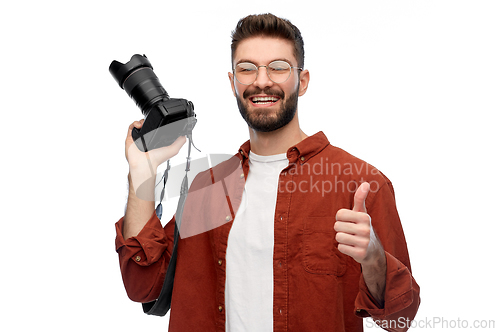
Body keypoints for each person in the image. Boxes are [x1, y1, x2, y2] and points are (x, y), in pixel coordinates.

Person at [115, 13, 420, 332]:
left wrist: (374, 260)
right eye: (247, 69)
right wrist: (142, 173)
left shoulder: (360, 183)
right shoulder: (211, 188)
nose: (262, 81)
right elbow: (143, 286)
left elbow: (400, 320)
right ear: (233, 83)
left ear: (301, 82)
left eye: (278, 67)